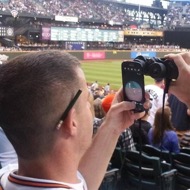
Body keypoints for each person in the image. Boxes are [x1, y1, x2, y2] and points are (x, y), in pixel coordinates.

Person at [0, 50, 149, 190]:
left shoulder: (8, 174)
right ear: (71, 121)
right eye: (86, 100)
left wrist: (112, 127)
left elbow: (82, 183)